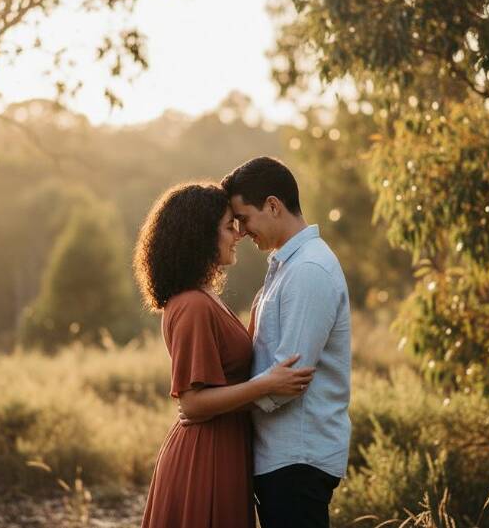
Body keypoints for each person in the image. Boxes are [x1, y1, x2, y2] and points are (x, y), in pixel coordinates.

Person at [134, 182, 315, 528]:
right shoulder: (192, 305)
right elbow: (193, 404)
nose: (238, 234)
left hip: (227, 446)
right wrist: (267, 384)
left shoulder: (205, 298)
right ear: (201, 235)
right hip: (206, 455)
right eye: (229, 226)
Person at [222, 156, 352, 528]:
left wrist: (214, 406)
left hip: (297, 457)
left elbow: (286, 382)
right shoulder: (287, 267)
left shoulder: (308, 270)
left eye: (244, 218)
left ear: (273, 206)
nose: (242, 232)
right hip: (281, 456)